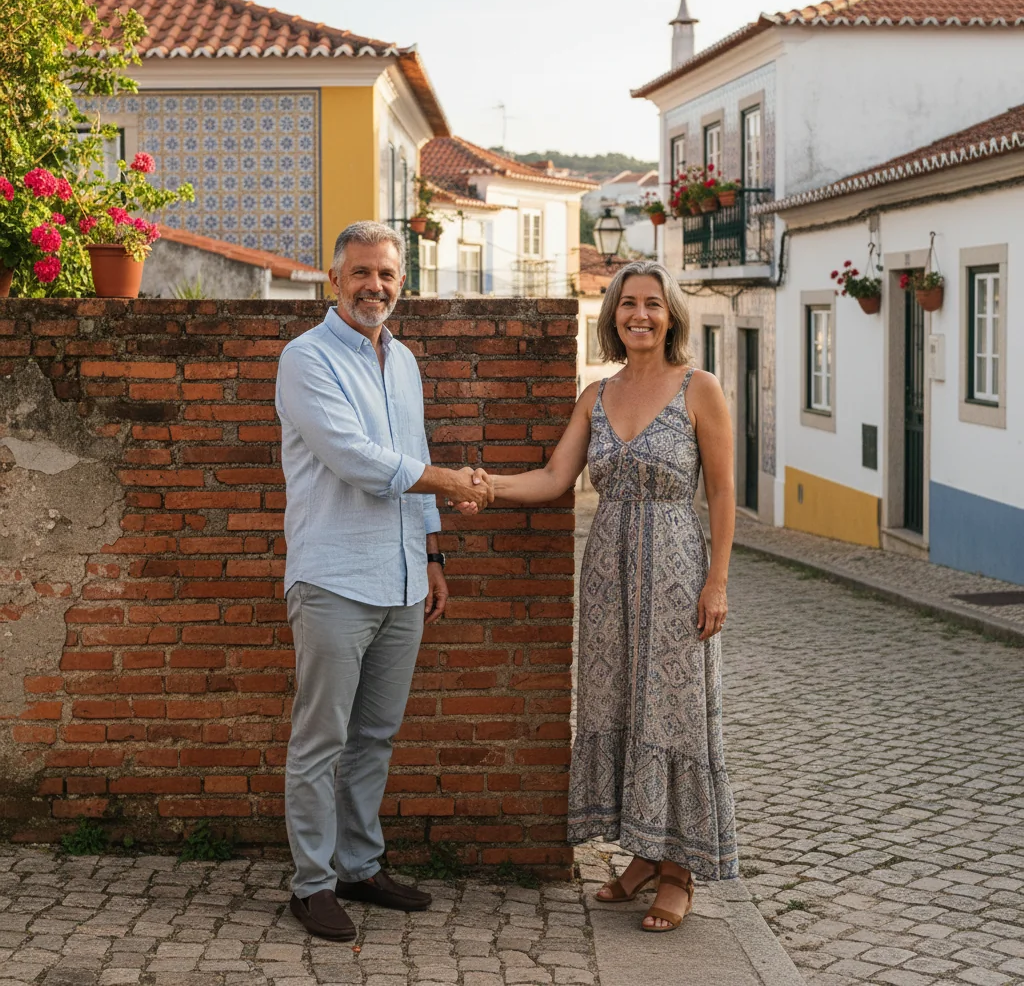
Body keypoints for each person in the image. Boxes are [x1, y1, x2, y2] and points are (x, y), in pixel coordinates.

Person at [483, 260, 739, 931]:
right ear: (613, 315)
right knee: (618, 701)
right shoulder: (595, 396)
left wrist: (717, 582)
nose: (641, 316)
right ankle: (642, 854)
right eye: (629, 305)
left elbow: (722, 492)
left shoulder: (699, 388)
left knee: (674, 709)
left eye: (654, 305)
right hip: (606, 575)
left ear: (671, 315)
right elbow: (552, 478)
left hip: (678, 568)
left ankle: (679, 869)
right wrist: (484, 486)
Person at [275, 220, 492, 941]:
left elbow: (413, 453)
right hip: (334, 577)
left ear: (404, 283)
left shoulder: (403, 362)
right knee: (320, 739)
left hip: (401, 579)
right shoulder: (305, 359)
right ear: (333, 280)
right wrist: (449, 479)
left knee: (375, 736)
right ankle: (312, 884)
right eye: (362, 273)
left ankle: (360, 867)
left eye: (388, 275)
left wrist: (432, 557)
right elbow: (357, 459)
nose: (376, 286)